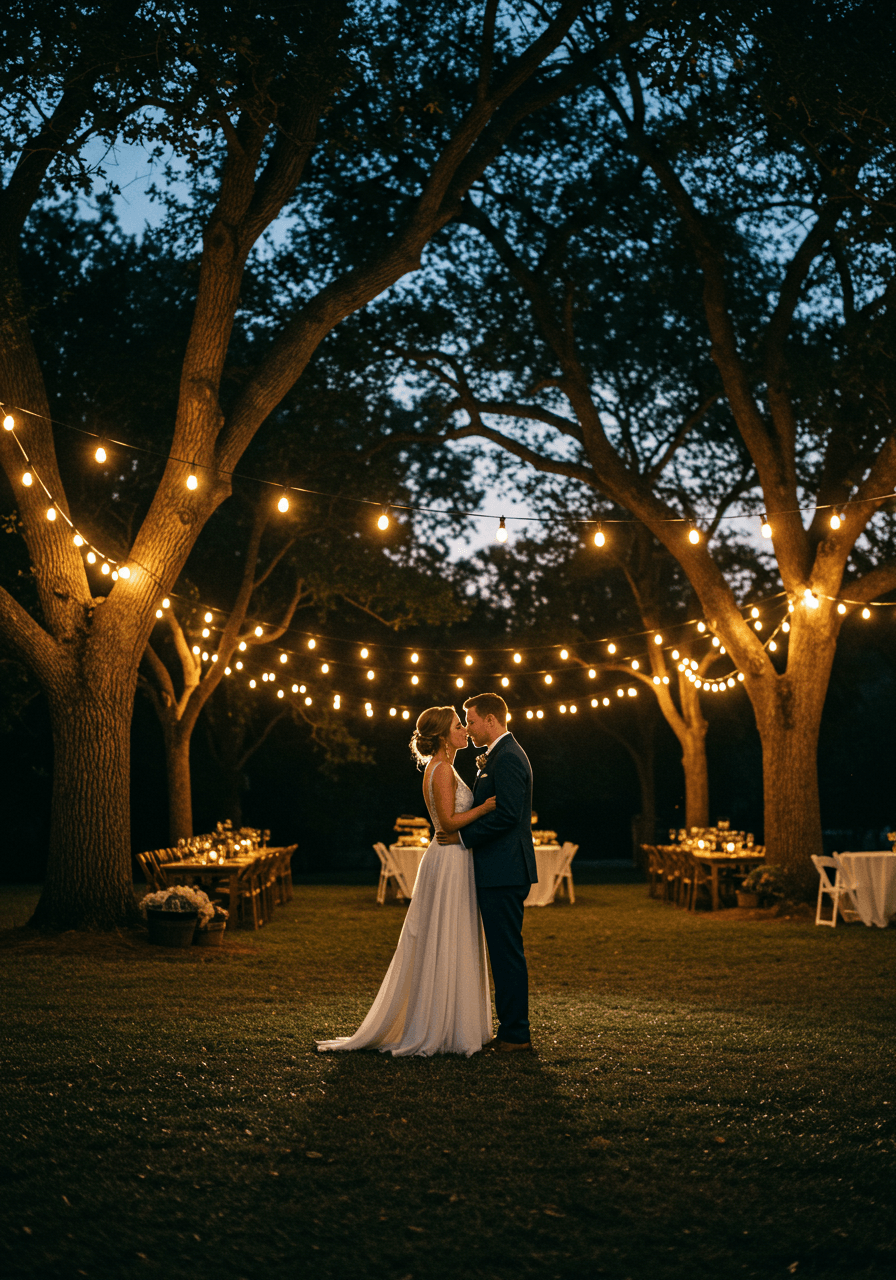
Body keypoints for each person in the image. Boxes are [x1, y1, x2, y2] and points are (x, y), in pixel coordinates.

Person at [316, 706, 497, 1057]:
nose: (464, 730)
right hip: (448, 860)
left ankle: (454, 1021)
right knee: (446, 933)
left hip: (454, 858)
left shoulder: (445, 767)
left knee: (453, 934)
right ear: (444, 736)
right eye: (458, 726)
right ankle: (440, 1026)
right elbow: (446, 823)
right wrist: (485, 808)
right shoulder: (441, 769)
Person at [437, 692, 537, 1052]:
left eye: (473, 721)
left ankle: (516, 1034)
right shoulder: (498, 755)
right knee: (502, 951)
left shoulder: (508, 757)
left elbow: (508, 815)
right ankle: (511, 1030)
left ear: (492, 720)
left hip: (505, 869)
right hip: (500, 868)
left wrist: (462, 836)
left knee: (506, 953)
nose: (469, 727)